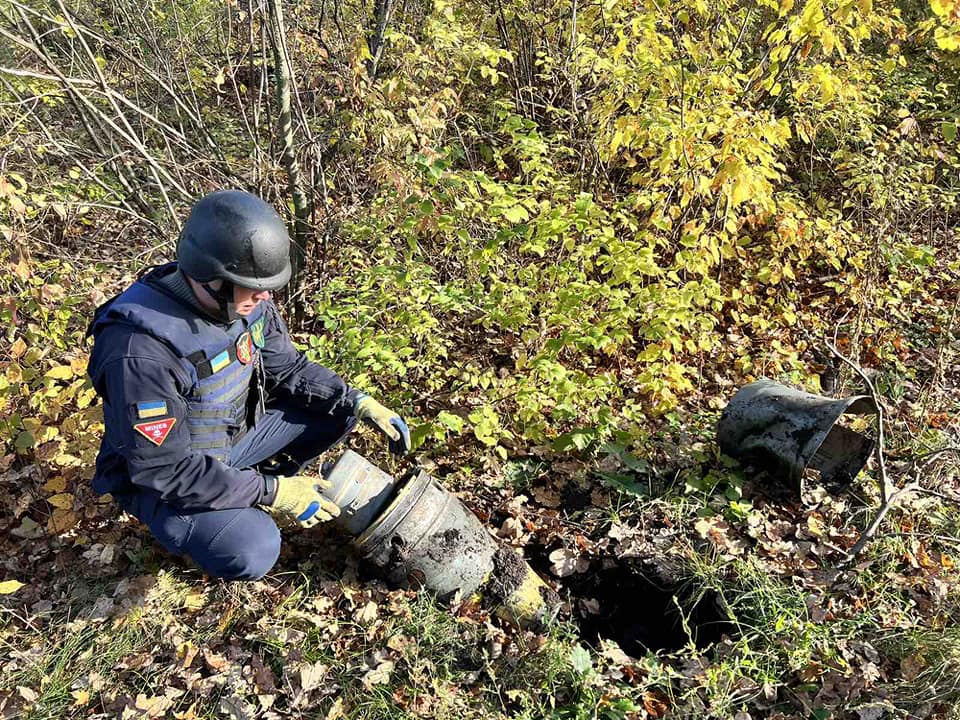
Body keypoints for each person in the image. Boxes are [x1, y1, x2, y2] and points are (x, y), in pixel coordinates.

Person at [86, 190, 410, 580]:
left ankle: (241, 489)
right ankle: (213, 520)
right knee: (253, 548)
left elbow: (288, 369)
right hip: (165, 481)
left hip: (230, 441)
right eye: (253, 286)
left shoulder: (247, 298)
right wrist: (275, 492)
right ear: (213, 279)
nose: (266, 296)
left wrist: (358, 401)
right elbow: (164, 470)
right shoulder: (140, 351)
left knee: (334, 409)